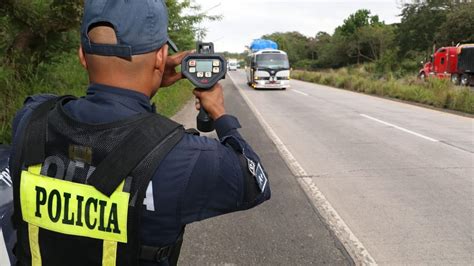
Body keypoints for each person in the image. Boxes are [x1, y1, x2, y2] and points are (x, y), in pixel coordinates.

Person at [8, 1, 271, 265]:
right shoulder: (187, 157)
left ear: (81, 56)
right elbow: (256, 183)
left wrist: (148, 77)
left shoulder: (29, 120)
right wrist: (220, 114)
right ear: (161, 57)